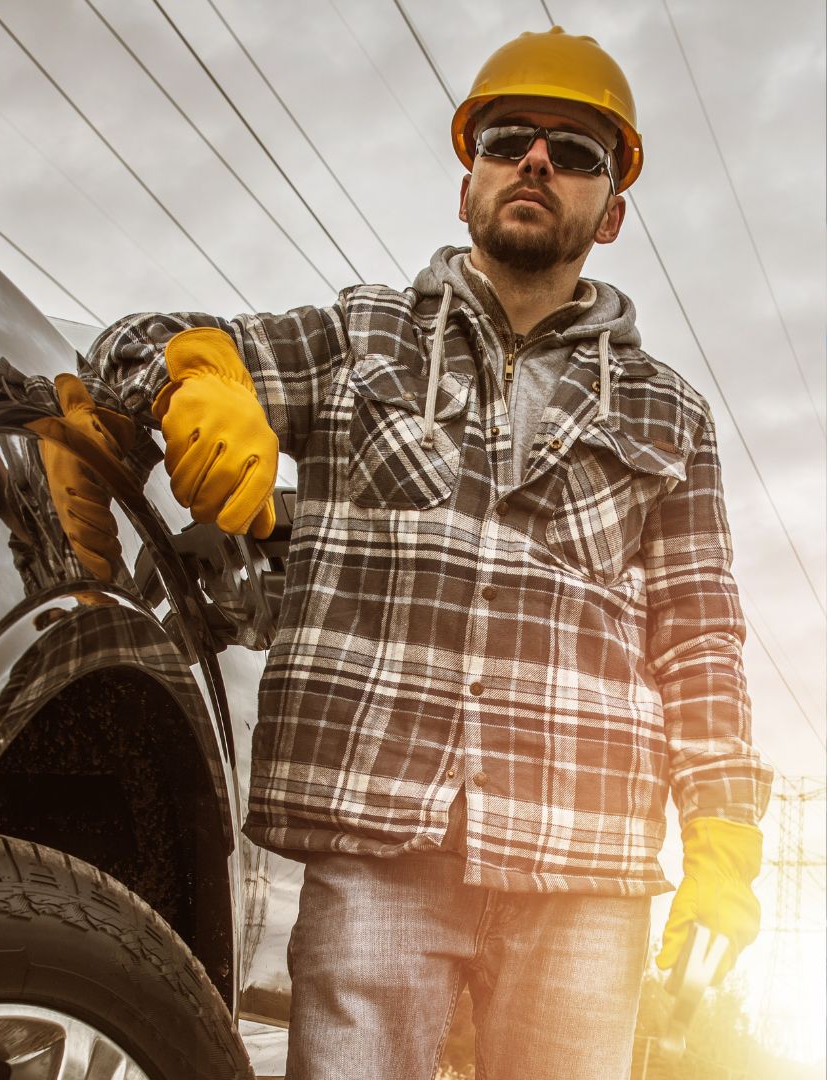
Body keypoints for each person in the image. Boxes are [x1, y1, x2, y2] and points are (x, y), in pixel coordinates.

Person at [79, 26, 773, 1080]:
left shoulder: (669, 413)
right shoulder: (362, 339)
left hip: (587, 867)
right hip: (378, 839)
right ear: (469, 184)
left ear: (613, 209)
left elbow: (702, 637)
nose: (537, 160)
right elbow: (132, 341)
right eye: (508, 138)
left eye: (576, 150)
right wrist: (197, 375)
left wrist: (722, 835)